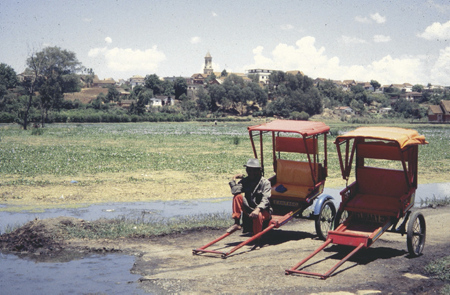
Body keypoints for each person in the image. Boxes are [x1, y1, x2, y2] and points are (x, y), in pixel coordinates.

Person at [227, 158, 272, 245]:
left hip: (263, 211)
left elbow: (266, 199)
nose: (251, 173)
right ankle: (236, 223)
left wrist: (258, 209)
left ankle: (257, 241)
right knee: (237, 197)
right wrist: (233, 179)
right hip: (249, 208)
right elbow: (235, 191)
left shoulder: (265, 183)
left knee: (258, 215)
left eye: (254, 171)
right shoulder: (245, 181)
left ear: (259, 171)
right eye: (249, 170)